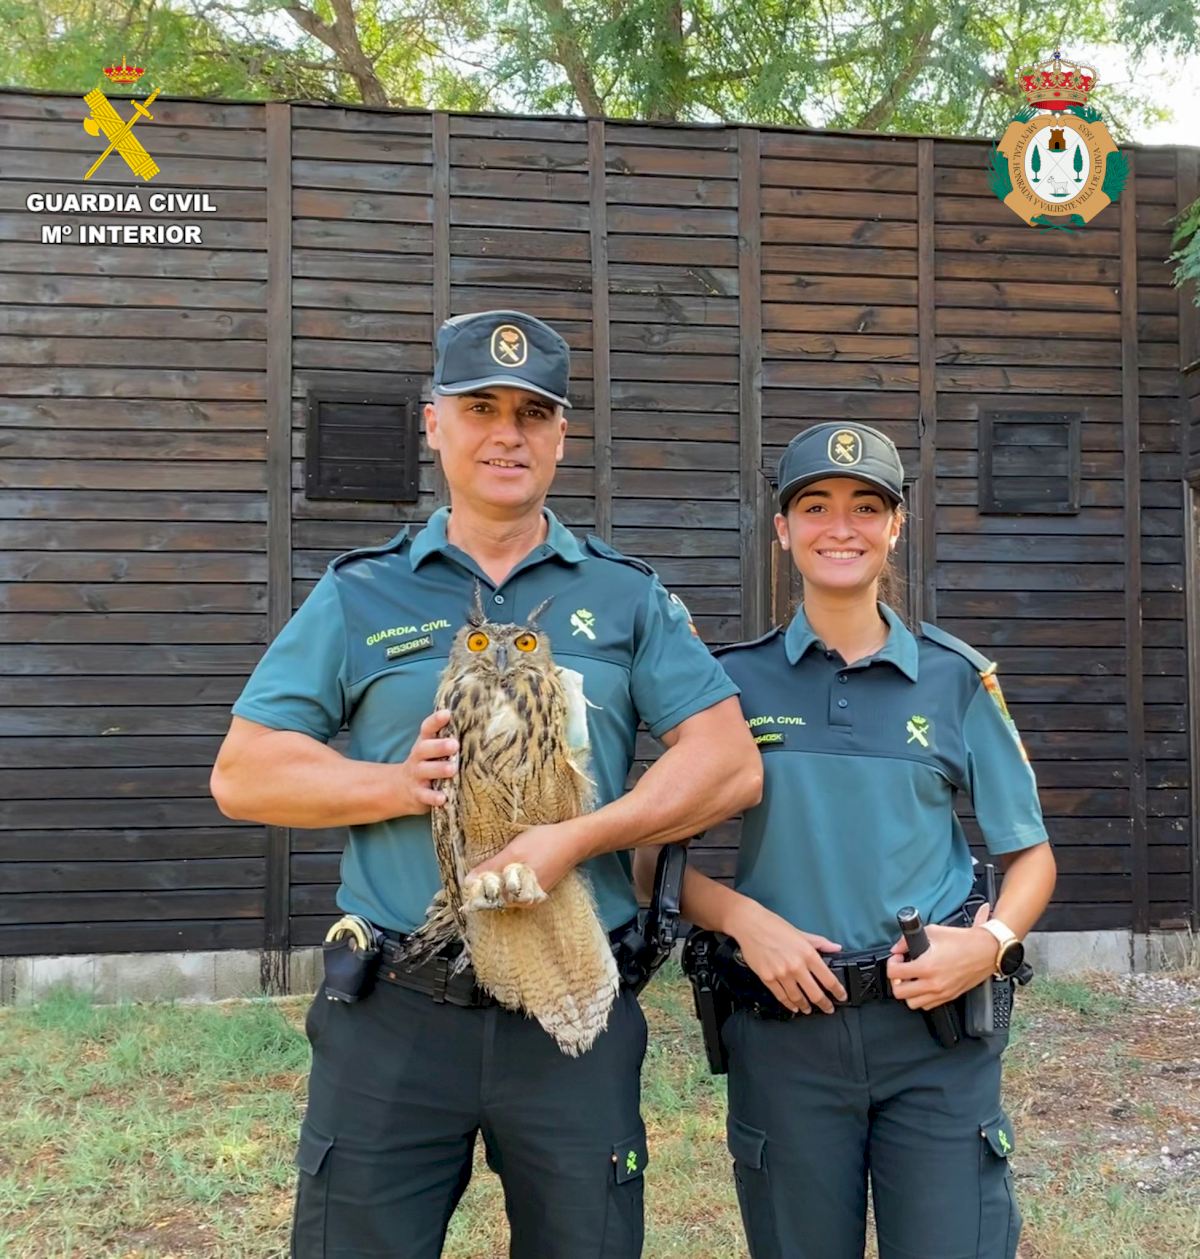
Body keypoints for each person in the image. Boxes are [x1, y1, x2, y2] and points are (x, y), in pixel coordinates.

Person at [209, 308, 761, 1259]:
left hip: (571, 1003)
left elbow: (730, 763)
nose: (508, 433)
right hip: (397, 1009)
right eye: (481, 408)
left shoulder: (625, 595)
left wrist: (577, 838)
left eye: (533, 413)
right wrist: (398, 785)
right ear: (435, 424)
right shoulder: (361, 592)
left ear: (561, 435)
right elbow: (244, 772)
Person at [657, 422, 1057, 1259]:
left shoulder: (956, 678)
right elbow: (650, 855)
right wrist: (743, 919)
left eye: (866, 507)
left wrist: (989, 942)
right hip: (785, 1033)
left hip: (933, 1034)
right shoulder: (730, 682)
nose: (841, 527)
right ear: (782, 528)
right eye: (816, 506)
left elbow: (1031, 855)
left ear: (896, 526)